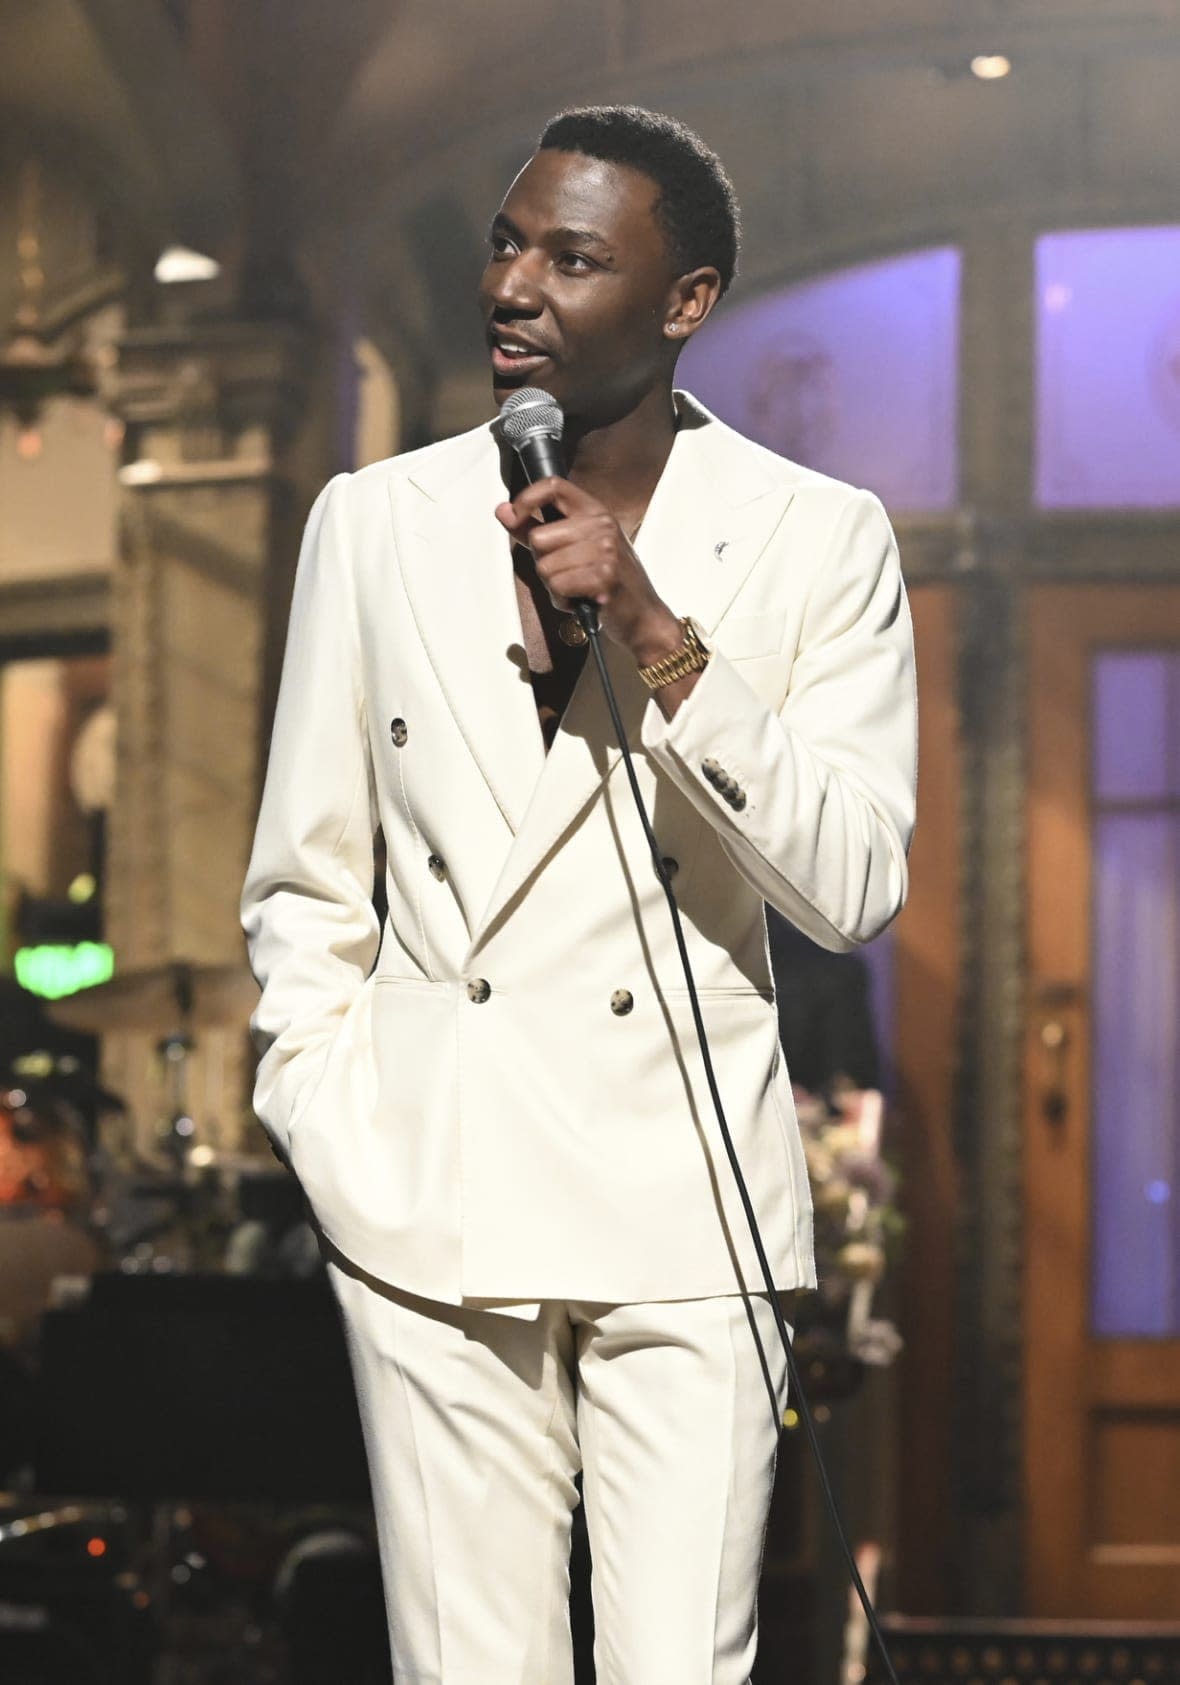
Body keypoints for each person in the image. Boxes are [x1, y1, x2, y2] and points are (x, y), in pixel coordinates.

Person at [240, 105, 917, 1685]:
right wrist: (329, 1113)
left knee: (683, 1663)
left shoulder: (821, 538)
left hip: (687, 1198)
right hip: (430, 1198)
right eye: (504, 241)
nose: (515, 286)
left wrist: (660, 630)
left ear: (685, 301)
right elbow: (305, 875)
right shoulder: (376, 523)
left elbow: (854, 882)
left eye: (572, 255)